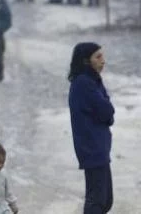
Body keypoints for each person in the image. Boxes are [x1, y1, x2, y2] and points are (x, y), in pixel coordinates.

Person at [68, 42, 114, 214]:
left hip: (98, 148)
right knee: (97, 201)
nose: (103, 61)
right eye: (98, 57)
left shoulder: (91, 81)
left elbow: (106, 112)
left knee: (106, 200)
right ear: (86, 61)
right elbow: (107, 110)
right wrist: (107, 112)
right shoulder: (84, 83)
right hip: (92, 148)